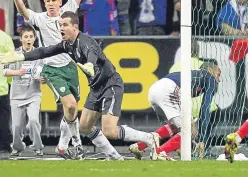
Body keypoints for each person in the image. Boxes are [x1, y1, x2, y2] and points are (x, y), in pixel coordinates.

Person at [0, 11, 160, 160]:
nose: (60, 28)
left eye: (64, 25)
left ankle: (148, 138)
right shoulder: (66, 44)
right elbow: (44, 52)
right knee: (84, 126)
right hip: (96, 87)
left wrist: (89, 65)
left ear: (75, 27)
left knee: (110, 130)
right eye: (60, 25)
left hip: (110, 84)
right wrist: (19, 56)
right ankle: (113, 156)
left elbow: (91, 53)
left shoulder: (85, 41)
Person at [7, 0, 85, 159]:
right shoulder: (40, 19)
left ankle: (63, 144)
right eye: (47, 1)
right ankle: (77, 144)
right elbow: (23, 10)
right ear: (44, 3)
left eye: (53, 1)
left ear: (60, 2)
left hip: (70, 66)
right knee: (69, 105)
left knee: (72, 110)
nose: (50, 4)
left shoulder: (68, 11)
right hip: (52, 69)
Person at [129, 60, 221, 160]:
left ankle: (139, 146)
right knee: (190, 130)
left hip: (154, 90)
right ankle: (160, 152)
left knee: (175, 128)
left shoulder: (193, 75)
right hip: (169, 90)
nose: (219, 80)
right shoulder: (209, 77)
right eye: (218, 74)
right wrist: (202, 140)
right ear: (210, 70)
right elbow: (205, 108)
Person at [2, 25, 44, 157]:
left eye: (31, 36)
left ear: (34, 38)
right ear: (21, 39)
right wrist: (17, 72)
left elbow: (44, 73)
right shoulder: (14, 54)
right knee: (16, 127)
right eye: (26, 37)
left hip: (33, 94)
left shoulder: (39, 54)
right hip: (16, 95)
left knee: (33, 121)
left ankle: (38, 147)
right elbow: (4, 71)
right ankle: (17, 147)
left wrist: (43, 79)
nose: (28, 39)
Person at [0, 30, 15, 152]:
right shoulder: (5, 38)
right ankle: (5, 145)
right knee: (3, 117)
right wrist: (10, 82)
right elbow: (12, 62)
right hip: (2, 86)